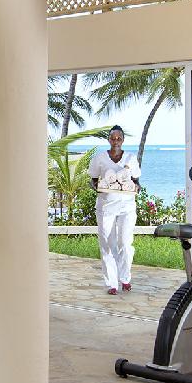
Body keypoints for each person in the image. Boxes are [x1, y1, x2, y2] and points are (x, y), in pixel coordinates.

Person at [88, 126, 141, 295]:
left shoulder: (130, 158)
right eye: (113, 138)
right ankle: (112, 283)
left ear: (123, 140)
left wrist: (136, 187)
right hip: (106, 206)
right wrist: (99, 187)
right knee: (107, 245)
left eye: (119, 138)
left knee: (125, 243)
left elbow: (136, 181)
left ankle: (125, 278)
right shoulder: (100, 158)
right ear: (109, 139)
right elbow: (93, 180)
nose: (116, 141)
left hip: (127, 206)